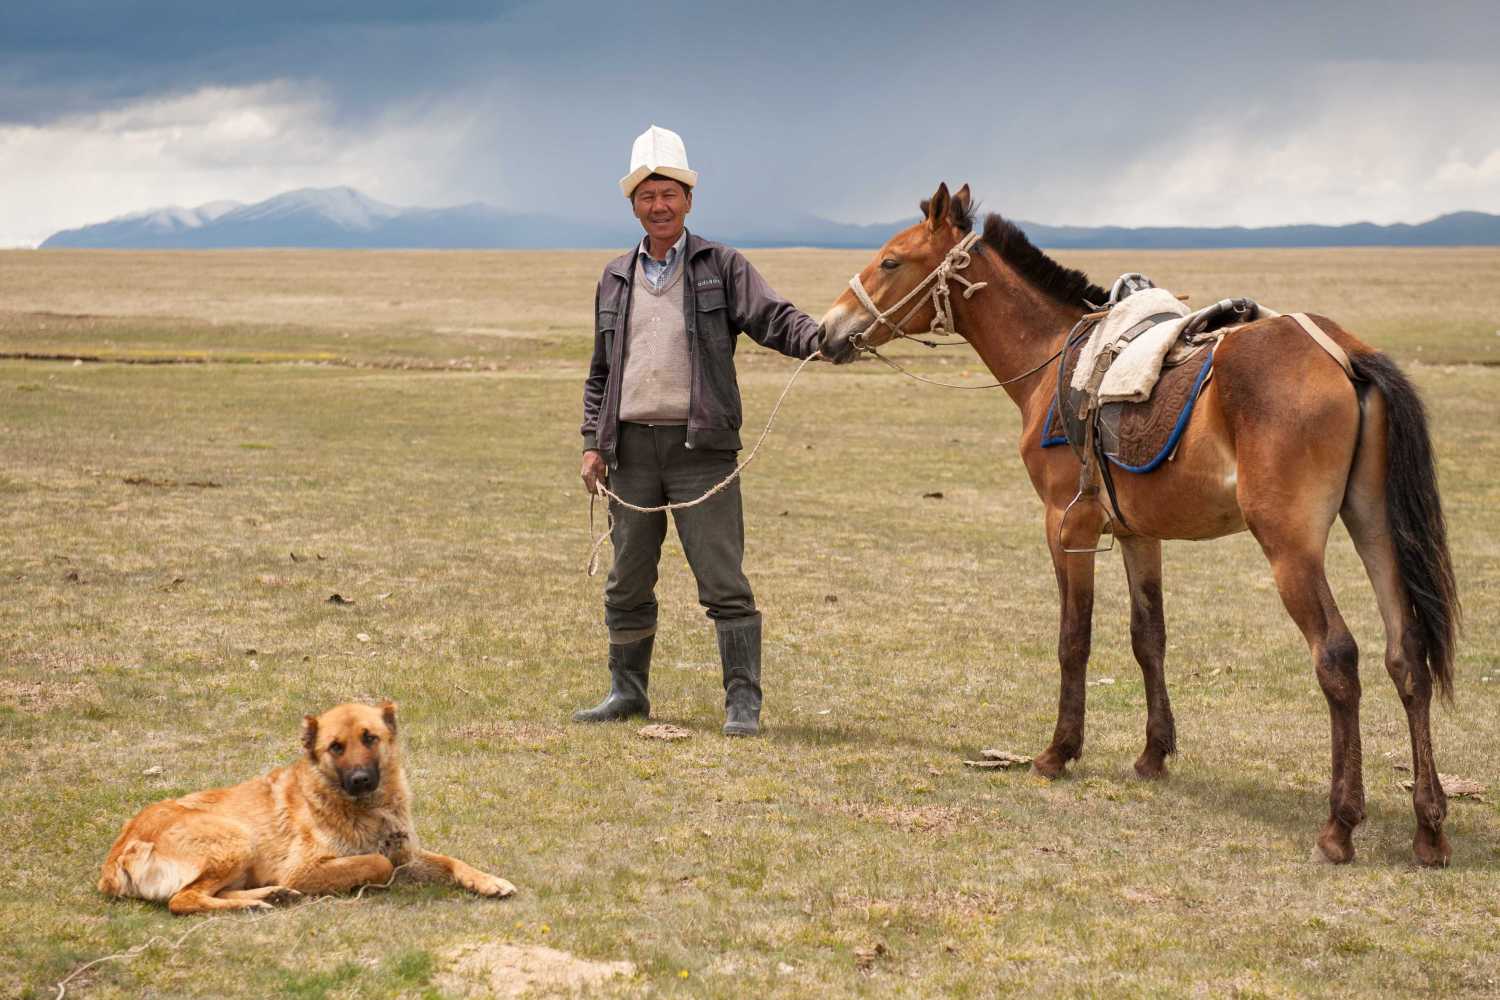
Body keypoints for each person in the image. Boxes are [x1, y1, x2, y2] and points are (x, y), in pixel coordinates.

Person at [576, 124, 822, 736]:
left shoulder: (722, 266)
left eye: (670, 194)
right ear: (632, 203)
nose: (658, 206)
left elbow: (774, 319)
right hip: (629, 451)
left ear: (689, 198)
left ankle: (743, 704)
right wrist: (591, 443)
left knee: (722, 579)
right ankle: (626, 694)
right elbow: (600, 372)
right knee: (627, 577)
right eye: (646, 196)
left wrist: (822, 340)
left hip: (700, 450)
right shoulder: (615, 276)